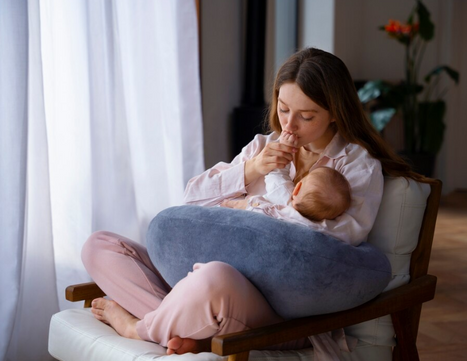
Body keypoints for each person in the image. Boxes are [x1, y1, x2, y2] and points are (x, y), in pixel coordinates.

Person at [81, 48, 424, 358]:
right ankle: (187, 324)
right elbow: (190, 199)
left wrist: (253, 208)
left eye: (306, 116)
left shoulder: (357, 166)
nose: (289, 124)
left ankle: (139, 327)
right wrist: (252, 169)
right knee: (101, 246)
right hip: (205, 283)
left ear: (335, 113)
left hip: (279, 313)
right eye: (284, 108)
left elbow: (333, 241)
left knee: (212, 279)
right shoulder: (264, 146)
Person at [221, 129, 352, 223]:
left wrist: (285, 146)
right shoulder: (306, 224)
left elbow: (277, 171)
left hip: (245, 216)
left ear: (297, 187)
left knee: (227, 207)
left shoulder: (283, 193)